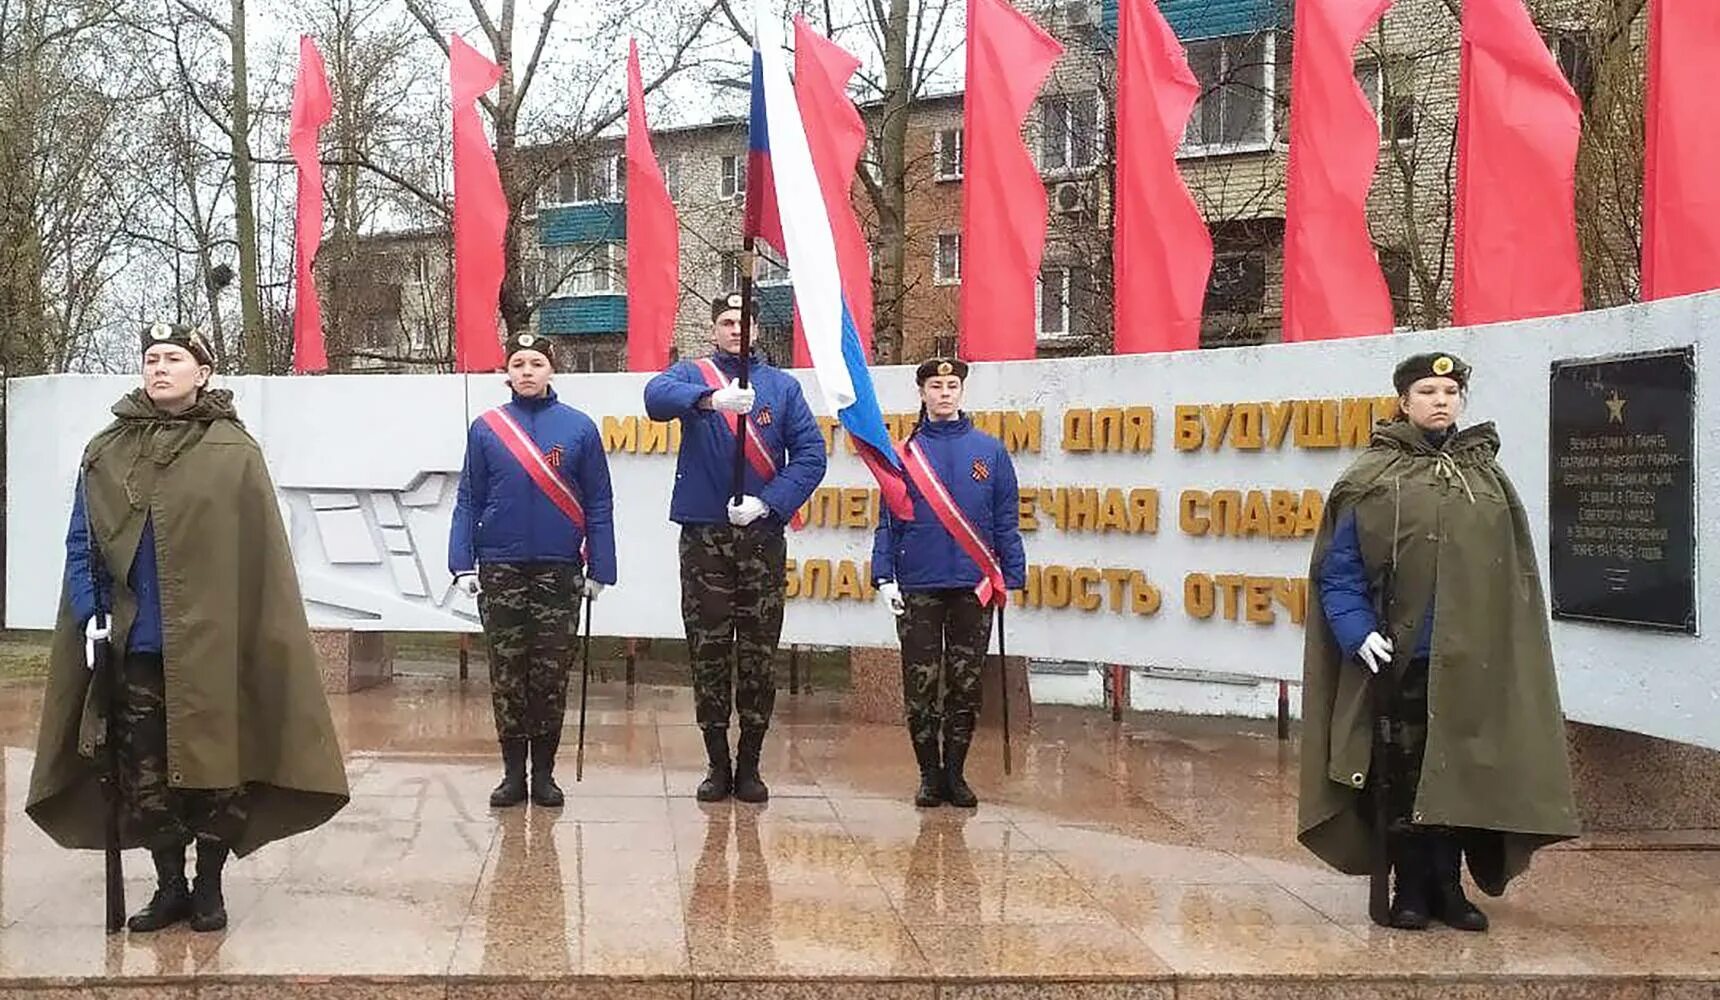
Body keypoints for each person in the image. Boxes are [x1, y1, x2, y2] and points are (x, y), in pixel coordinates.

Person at [28, 322, 350, 934]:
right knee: (143, 772)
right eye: (150, 358)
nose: (159, 368)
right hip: (136, 643)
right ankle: (169, 884)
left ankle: (208, 886)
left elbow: (258, 558)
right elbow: (84, 539)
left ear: (202, 372)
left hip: (212, 646)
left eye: (173, 357)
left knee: (214, 771)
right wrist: (89, 609)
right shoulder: (107, 450)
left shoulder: (234, 453)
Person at [1301, 351, 1580, 931]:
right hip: (1404, 659)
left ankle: (1449, 889)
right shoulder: (1369, 479)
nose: (1440, 400)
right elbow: (1341, 570)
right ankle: (1409, 888)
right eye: (1427, 391)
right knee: (1402, 776)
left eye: (1450, 391)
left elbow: (1512, 576)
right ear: (1404, 401)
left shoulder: (1486, 480)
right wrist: (1359, 633)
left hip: (1473, 662)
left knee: (1461, 774)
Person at [644, 293, 827, 803]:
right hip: (704, 535)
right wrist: (709, 401)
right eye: (726, 323)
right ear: (715, 330)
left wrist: (769, 504)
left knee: (757, 653)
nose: (735, 331)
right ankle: (716, 763)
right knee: (708, 651)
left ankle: (750, 764)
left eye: (743, 322)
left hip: (760, 537)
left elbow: (811, 457)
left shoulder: (782, 388)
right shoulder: (692, 374)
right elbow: (655, 398)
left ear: (757, 330)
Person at [450, 332, 616, 809]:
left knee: (548, 673)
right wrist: (462, 562)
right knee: (507, 672)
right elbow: (468, 499)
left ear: (551, 371)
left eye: (536, 363)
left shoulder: (579, 428)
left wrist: (600, 567)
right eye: (519, 363)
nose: (527, 371)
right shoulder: (486, 428)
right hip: (500, 566)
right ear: (507, 373)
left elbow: (599, 503)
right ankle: (511, 776)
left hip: (558, 569)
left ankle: (544, 774)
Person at [871, 358, 1026, 809]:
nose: (944, 392)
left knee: (965, 683)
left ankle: (955, 773)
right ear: (921, 393)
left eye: (951, 385)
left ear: (961, 392)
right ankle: (928, 775)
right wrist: (883, 576)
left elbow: (1005, 521)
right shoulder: (904, 455)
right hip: (919, 584)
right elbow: (887, 522)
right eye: (935, 385)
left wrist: (1009, 575)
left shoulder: (990, 452)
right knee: (920, 686)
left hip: (971, 586)